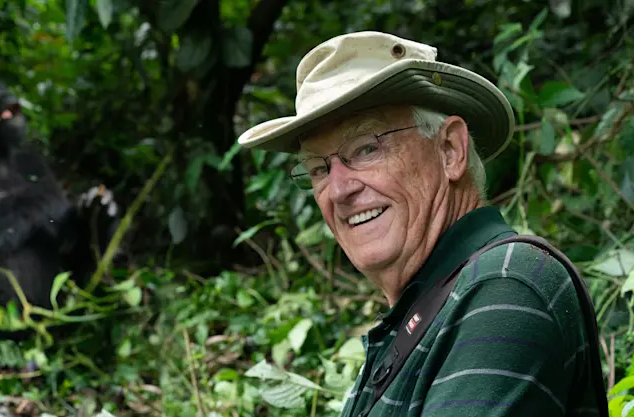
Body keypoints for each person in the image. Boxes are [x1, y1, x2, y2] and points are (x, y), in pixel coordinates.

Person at [237, 31, 607, 417]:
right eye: (318, 168)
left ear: (450, 150)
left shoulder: (507, 282)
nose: (338, 189)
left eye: (366, 148)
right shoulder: (422, 314)